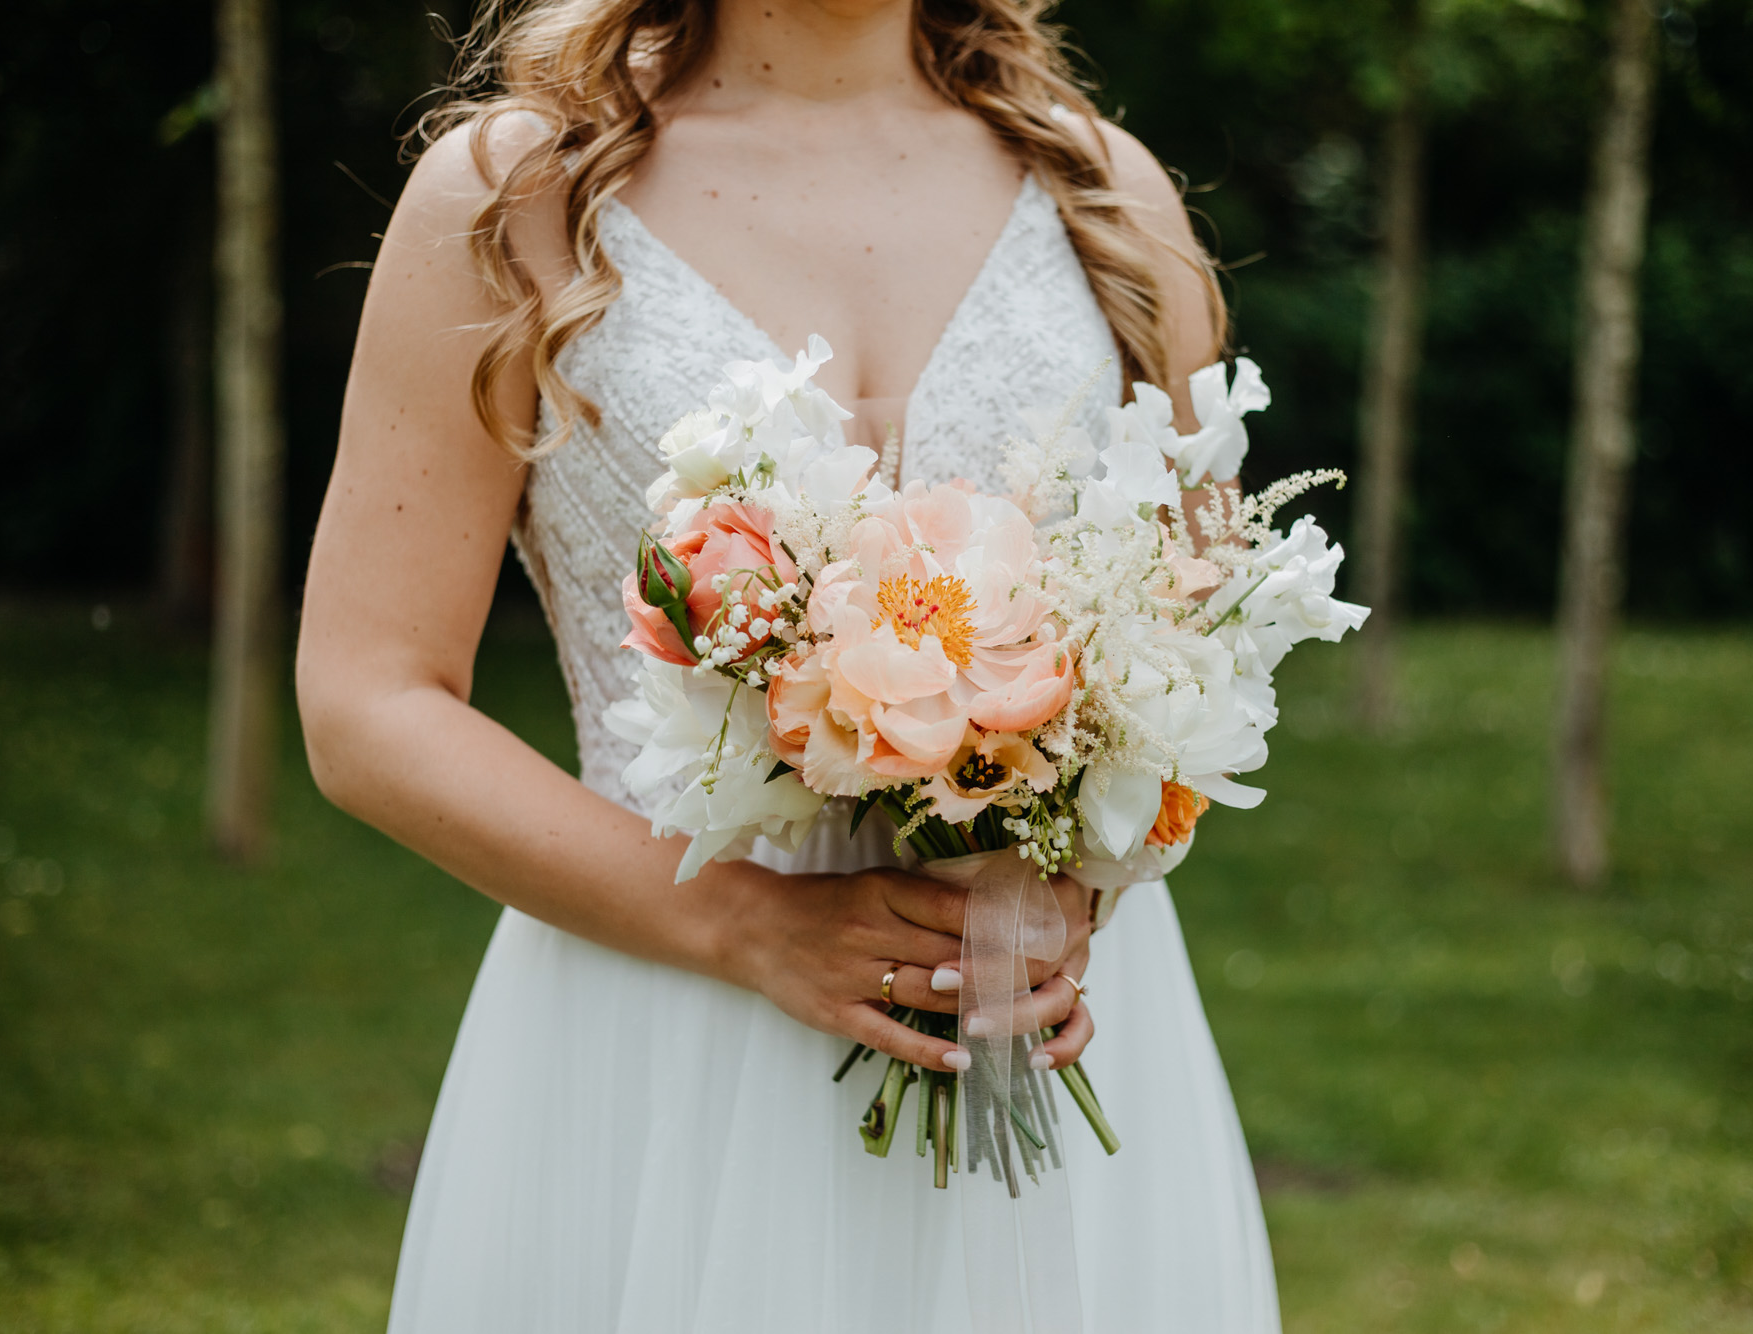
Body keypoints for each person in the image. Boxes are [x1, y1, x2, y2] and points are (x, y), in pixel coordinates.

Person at [295, 0, 1279, 1327]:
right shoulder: (515, 199)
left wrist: (1077, 877)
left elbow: (1197, 653)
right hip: (662, 1042)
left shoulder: (1107, 197)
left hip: (1037, 1031)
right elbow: (367, 701)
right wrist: (745, 924)